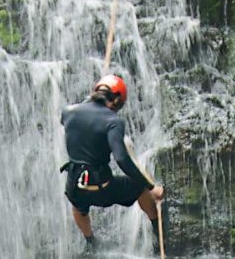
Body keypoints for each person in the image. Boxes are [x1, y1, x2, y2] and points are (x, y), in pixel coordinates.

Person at [60, 72, 164, 243]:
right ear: (116, 101)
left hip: (75, 186)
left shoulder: (68, 112)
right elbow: (122, 159)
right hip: (101, 187)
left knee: (78, 207)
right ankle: (157, 229)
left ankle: (90, 241)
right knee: (140, 188)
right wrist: (152, 187)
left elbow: (82, 112)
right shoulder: (113, 121)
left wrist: (93, 100)